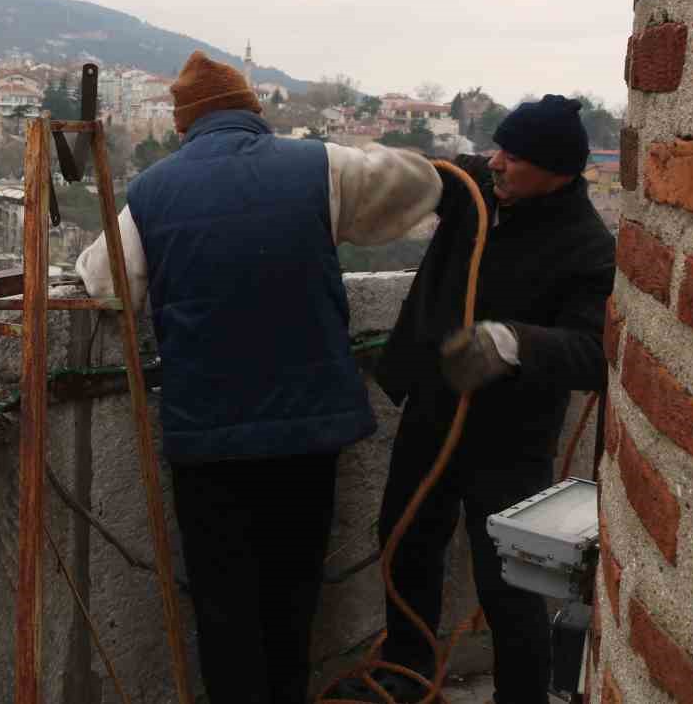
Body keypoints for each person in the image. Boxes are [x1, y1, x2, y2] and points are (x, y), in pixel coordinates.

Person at [76, 51, 443, 704]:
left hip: (209, 438)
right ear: (253, 111)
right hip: (309, 428)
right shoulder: (316, 167)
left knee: (225, 609)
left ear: (185, 125)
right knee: (294, 596)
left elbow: (105, 281)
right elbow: (417, 184)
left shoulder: (152, 193)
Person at [332, 95, 615, 704]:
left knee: (508, 577)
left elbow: (593, 354)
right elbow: (421, 177)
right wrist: (359, 167)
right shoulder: (473, 189)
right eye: (498, 150)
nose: (497, 163)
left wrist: (515, 342)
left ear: (556, 171)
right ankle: (404, 672)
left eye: (514, 158)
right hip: (436, 407)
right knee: (405, 541)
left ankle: (520, 695)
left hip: (512, 435)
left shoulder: (587, 246)